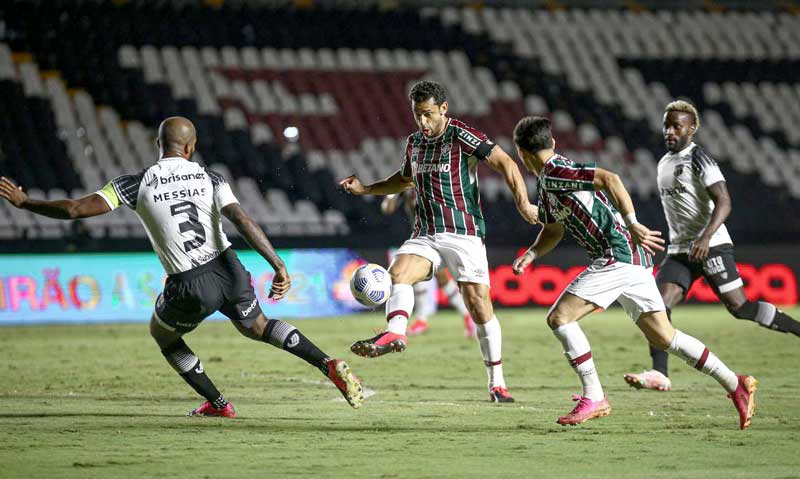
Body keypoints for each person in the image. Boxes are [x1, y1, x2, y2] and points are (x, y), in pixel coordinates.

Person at [0, 116, 364, 416]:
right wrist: (278, 265)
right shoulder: (211, 177)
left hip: (190, 282)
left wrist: (25, 202)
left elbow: (74, 210)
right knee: (258, 325)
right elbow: (242, 218)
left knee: (164, 335)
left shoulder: (135, 183)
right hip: (230, 267)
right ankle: (326, 362)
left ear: (159, 146)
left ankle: (219, 404)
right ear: (190, 148)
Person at [511, 116, 757, 429]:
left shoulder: (556, 170)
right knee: (665, 337)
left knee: (560, 318)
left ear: (522, 154)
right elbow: (554, 229)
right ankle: (735, 384)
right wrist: (532, 253)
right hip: (630, 258)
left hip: (617, 254)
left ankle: (595, 396)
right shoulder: (547, 183)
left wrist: (632, 222)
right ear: (552, 142)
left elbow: (610, 179)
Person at [340, 81, 539, 402]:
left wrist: (524, 203)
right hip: (426, 235)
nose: (423, 122)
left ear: (443, 109)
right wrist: (365, 189)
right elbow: (402, 179)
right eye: (418, 115)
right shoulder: (414, 143)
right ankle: (396, 332)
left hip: (463, 234)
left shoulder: (461, 135)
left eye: (429, 114)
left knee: (479, 307)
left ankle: (497, 382)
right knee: (398, 272)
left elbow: (506, 162)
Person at [623, 101, 800, 392]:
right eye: (666, 125)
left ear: (691, 129)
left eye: (676, 126)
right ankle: (659, 373)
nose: (669, 131)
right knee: (656, 306)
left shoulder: (699, 159)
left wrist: (705, 238)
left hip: (712, 245)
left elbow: (725, 201)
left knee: (740, 308)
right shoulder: (664, 163)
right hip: (680, 250)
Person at [381, 190, 476, 338]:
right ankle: (466, 317)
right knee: (441, 279)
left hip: (441, 234)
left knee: (425, 276)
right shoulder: (404, 179)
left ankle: (423, 320)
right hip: (423, 236)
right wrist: (391, 194)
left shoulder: (431, 176)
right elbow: (388, 209)